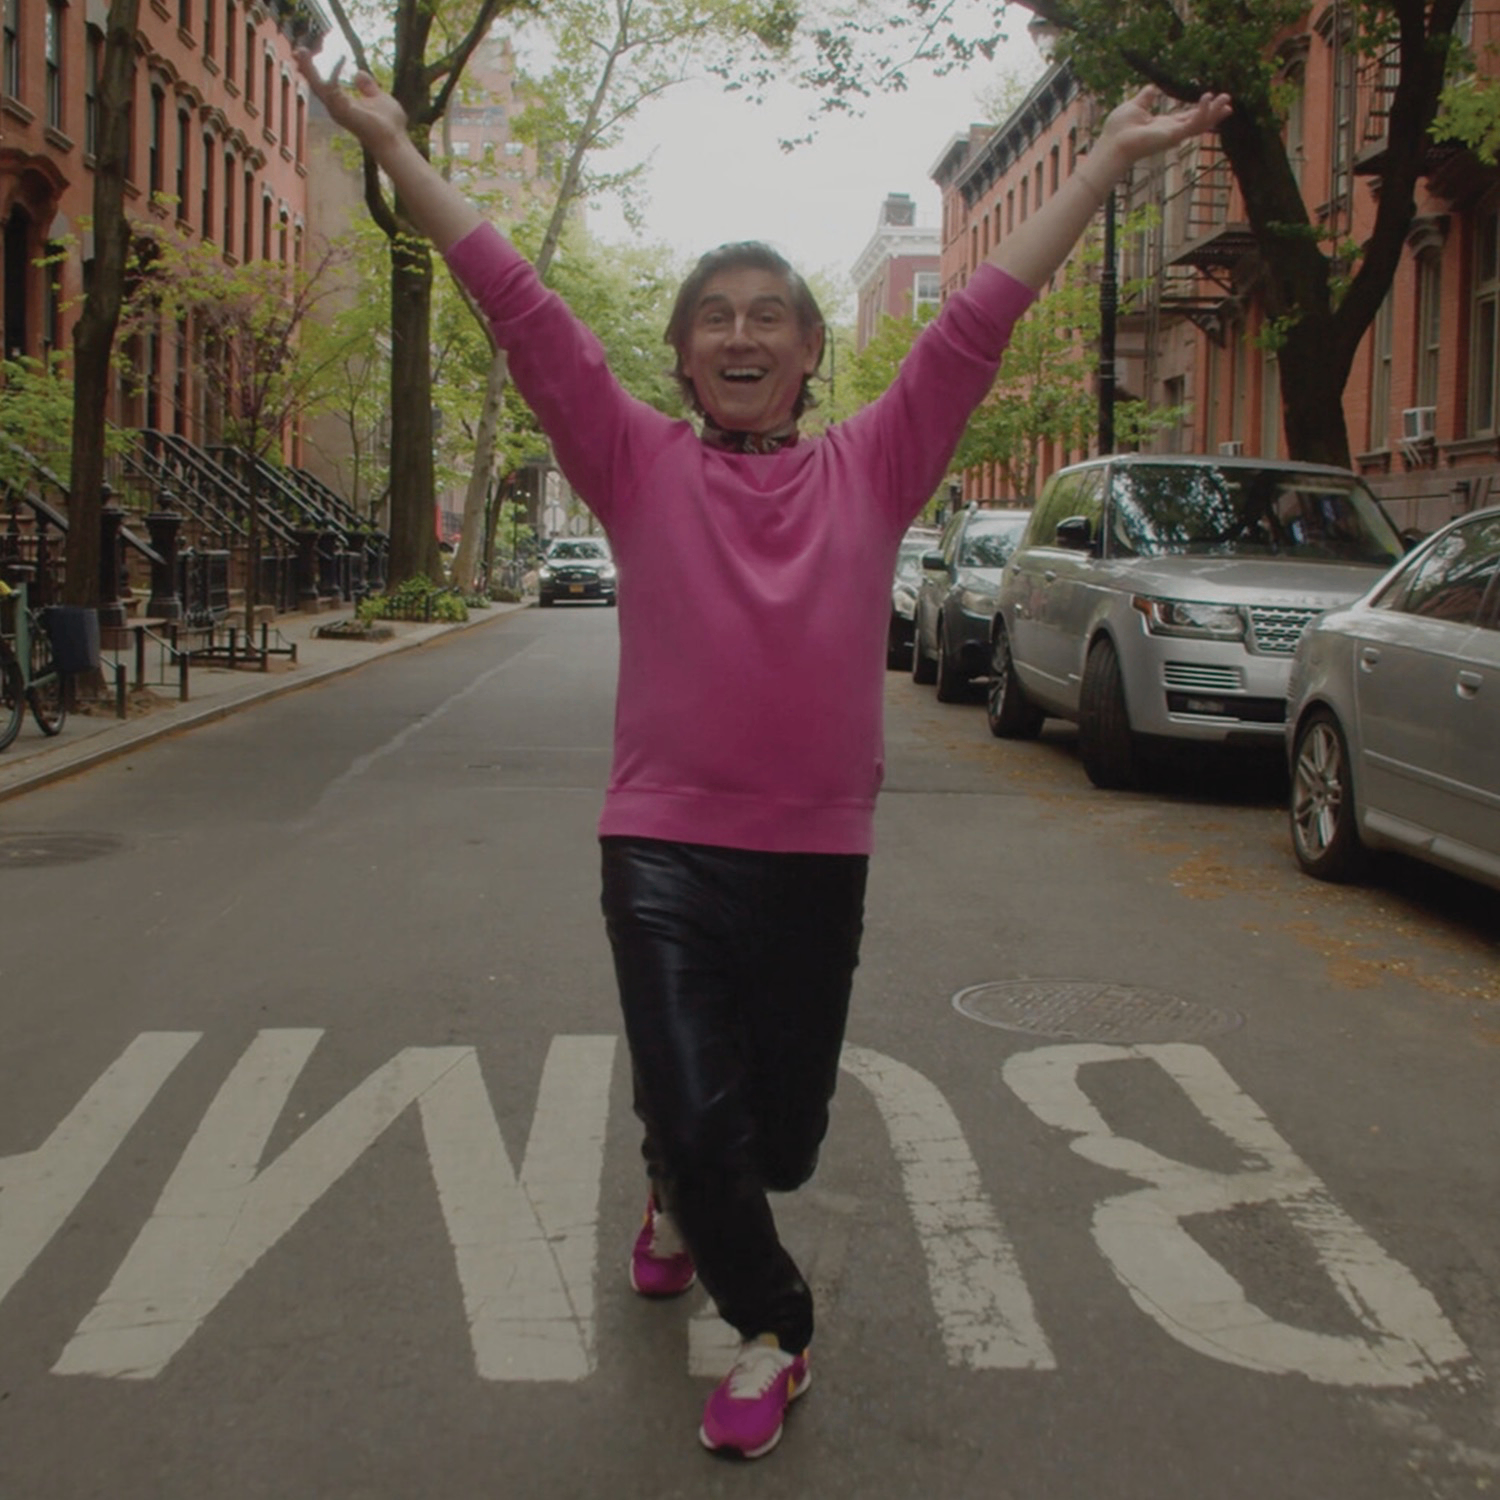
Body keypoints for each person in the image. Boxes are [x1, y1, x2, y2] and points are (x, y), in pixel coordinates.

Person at [297, 48, 1230, 1460]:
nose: (742, 337)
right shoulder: (633, 461)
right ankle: (776, 1329)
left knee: (775, 1141)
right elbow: (520, 303)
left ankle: (679, 1189)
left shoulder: (873, 465)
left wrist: (1102, 165)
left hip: (814, 854)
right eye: (715, 319)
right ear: (681, 354)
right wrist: (388, 145)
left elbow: (980, 316)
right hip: (661, 845)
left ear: (807, 352)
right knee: (701, 1104)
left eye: (771, 318)